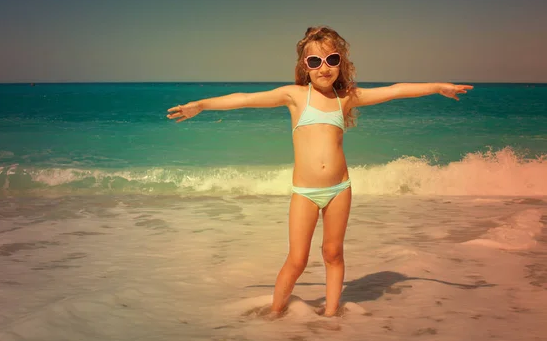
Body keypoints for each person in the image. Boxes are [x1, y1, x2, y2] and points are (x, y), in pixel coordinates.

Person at [167, 26, 473, 317]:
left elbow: (394, 91)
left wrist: (436, 87)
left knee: (333, 254)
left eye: (332, 59)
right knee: (297, 260)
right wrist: (201, 105)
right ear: (305, 66)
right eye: (315, 61)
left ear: (341, 62)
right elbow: (245, 99)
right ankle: (276, 312)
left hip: (340, 188)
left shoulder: (347, 97)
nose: (324, 67)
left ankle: (330, 315)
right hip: (305, 193)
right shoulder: (296, 96)